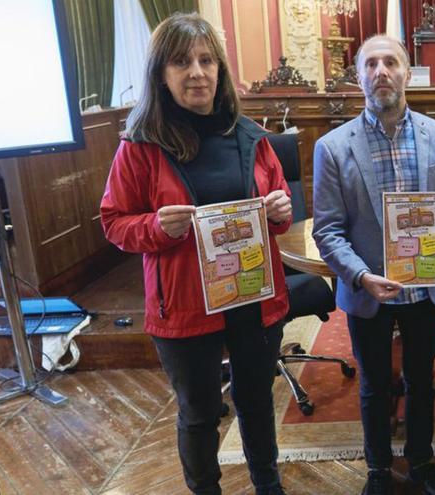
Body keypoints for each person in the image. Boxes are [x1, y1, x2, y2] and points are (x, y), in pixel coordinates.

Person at [100, 13, 292, 495]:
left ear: (220, 70)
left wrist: (279, 211)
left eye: (207, 60)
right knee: (199, 412)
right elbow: (114, 223)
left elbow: (281, 210)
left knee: (255, 402)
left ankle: (268, 485)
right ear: (161, 75)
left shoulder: (250, 135)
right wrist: (155, 226)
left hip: (253, 295)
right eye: (182, 62)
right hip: (185, 307)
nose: (197, 72)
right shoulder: (140, 146)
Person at [311, 35, 435, 495]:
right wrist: (360, 275)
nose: (381, 71)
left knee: (422, 381)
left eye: (391, 63)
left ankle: (421, 463)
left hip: (425, 288)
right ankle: (378, 469)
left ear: (407, 73)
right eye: (371, 64)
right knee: (373, 386)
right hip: (368, 289)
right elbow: (328, 231)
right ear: (359, 76)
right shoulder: (332, 146)